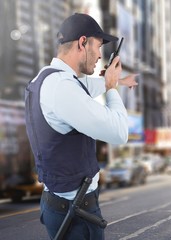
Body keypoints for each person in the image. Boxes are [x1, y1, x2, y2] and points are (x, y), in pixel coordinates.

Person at [24, 13, 137, 240]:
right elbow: (119, 132)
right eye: (97, 47)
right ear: (82, 43)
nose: (99, 56)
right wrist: (113, 89)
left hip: (60, 203)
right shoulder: (63, 88)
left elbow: (83, 89)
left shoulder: (46, 79)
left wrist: (112, 82)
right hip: (75, 211)